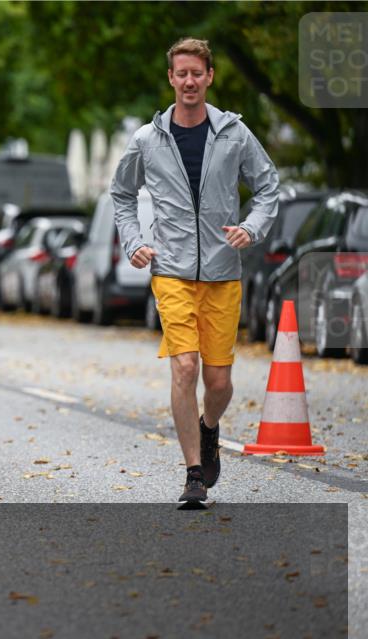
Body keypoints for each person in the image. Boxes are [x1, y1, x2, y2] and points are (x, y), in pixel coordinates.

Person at [111, 37, 279, 509]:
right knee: (185, 366)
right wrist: (136, 241)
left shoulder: (234, 134)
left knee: (220, 382)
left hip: (224, 271)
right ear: (171, 78)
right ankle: (193, 475)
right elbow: (121, 195)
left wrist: (252, 227)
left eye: (196, 73)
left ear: (209, 77)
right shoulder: (148, 138)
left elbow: (268, 187)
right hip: (171, 270)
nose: (189, 81)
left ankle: (209, 429)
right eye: (181, 73)